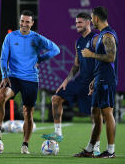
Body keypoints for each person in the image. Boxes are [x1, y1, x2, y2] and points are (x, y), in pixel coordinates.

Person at [0, 10, 60, 154]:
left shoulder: (37, 38)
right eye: (22, 21)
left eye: (27, 22)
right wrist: (4, 76)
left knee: (28, 113)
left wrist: (40, 59)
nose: (24, 24)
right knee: (1, 95)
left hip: (30, 79)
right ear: (20, 21)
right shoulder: (10, 37)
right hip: (13, 77)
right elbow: (3, 58)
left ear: (32, 23)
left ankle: (25, 145)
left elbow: (56, 49)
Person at [41, 13, 102, 156]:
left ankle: (96, 148)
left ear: (88, 23)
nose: (77, 25)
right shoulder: (78, 42)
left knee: (95, 117)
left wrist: (97, 80)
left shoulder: (96, 39)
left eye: (80, 23)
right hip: (80, 81)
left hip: (93, 83)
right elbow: (76, 65)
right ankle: (58, 133)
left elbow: (102, 61)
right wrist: (66, 80)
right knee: (56, 98)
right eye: (76, 23)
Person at [80, 6, 118, 158]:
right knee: (95, 114)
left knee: (107, 114)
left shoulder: (108, 35)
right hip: (99, 79)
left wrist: (91, 54)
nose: (91, 20)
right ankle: (89, 150)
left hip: (106, 80)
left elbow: (111, 57)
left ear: (96, 18)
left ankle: (110, 151)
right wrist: (95, 78)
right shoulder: (102, 34)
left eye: (91, 17)